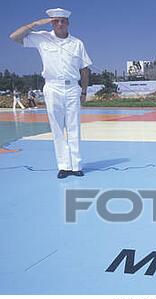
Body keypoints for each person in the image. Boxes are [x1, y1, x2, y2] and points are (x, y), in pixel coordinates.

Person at [10, 8, 92, 179]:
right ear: (51, 23)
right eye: (55, 21)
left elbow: (85, 70)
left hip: (72, 88)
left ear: (68, 23)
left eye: (63, 21)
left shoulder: (77, 43)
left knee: (74, 127)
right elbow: (14, 37)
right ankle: (63, 166)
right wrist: (34, 24)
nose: (60, 24)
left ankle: (76, 165)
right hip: (52, 87)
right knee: (57, 128)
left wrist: (84, 91)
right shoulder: (42, 38)